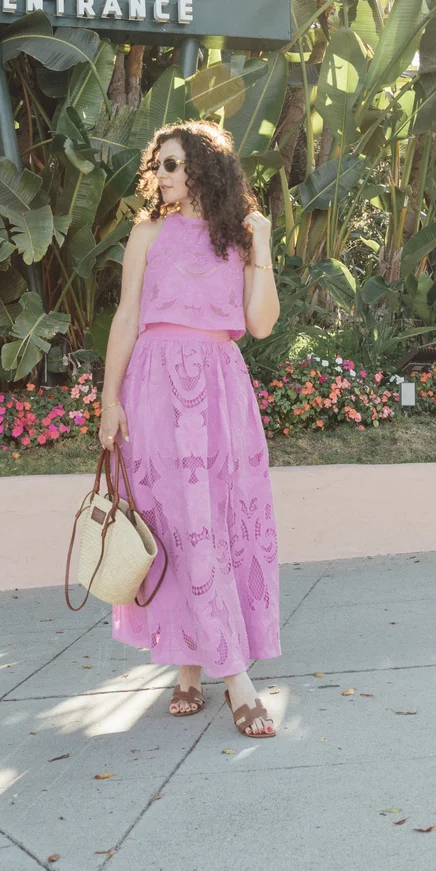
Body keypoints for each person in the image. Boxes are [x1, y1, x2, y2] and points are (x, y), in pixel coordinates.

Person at [99, 120, 281, 738]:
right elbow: (126, 318)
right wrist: (109, 401)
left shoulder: (239, 238)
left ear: (203, 168)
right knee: (175, 527)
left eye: (172, 164)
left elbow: (261, 325)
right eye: (158, 164)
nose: (161, 175)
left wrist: (262, 247)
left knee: (217, 525)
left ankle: (195, 668)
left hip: (220, 392)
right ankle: (230, 679)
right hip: (154, 389)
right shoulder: (147, 233)